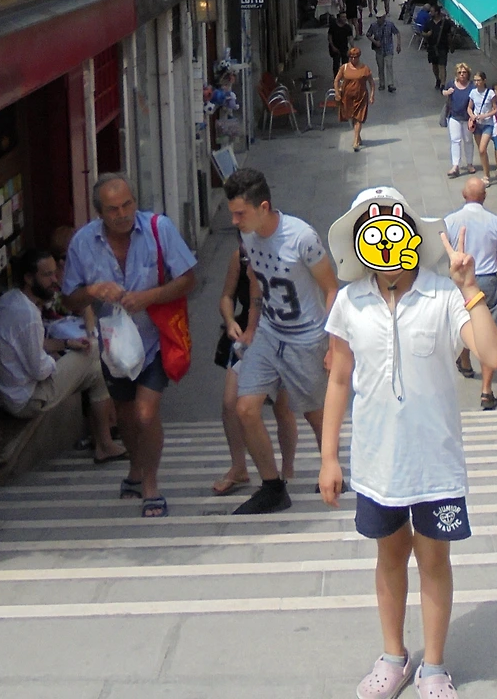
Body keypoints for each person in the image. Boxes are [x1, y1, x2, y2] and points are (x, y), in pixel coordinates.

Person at [321, 187, 497, 699]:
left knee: (434, 562)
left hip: (436, 464)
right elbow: (337, 378)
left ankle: (435, 667)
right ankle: (394, 656)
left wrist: (469, 287)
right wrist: (329, 456)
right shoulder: (349, 301)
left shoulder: (443, 296)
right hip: (378, 464)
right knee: (388, 558)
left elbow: (492, 355)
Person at [62, 174, 197, 519]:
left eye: (128, 204)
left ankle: (150, 485)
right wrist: (93, 291)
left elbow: (188, 279)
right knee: (124, 415)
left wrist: (149, 297)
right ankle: (135, 470)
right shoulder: (82, 243)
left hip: (154, 339)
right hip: (114, 346)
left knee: (145, 413)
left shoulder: (158, 229)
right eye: (113, 209)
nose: (123, 214)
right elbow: (69, 298)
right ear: (99, 213)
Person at [224, 166, 340, 515]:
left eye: (240, 213)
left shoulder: (301, 237)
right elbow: (256, 280)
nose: (234, 221)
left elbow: (331, 288)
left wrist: (334, 344)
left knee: (314, 414)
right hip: (270, 333)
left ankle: (331, 468)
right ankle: (272, 486)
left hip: (306, 336)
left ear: (263, 207)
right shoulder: (247, 237)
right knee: (244, 407)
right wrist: (251, 326)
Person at [0, 246, 126, 463]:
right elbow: (39, 369)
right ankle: (104, 442)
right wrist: (56, 360)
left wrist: (66, 344)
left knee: (95, 366)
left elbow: (32, 345)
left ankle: (104, 441)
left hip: (11, 392)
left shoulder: (10, 300)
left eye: (55, 273)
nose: (54, 280)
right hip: (27, 399)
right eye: (47, 275)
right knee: (95, 355)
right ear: (28, 278)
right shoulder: (29, 316)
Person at [212, 241, 298, 496]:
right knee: (230, 403)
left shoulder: (285, 250)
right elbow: (227, 296)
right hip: (246, 339)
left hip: (280, 333)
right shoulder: (239, 255)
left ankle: (288, 469)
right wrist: (229, 321)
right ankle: (239, 467)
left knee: (282, 407)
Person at [444, 176, 497, 409]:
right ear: (484, 197)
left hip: (460, 282)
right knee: (488, 330)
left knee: (463, 323)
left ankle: (464, 359)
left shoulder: (450, 221)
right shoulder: (496, 223)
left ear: (464, 196)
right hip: (487, 279)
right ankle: (486, 389)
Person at [336, 41, 376, 151]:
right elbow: (336, 80)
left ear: (359, 57)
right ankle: (358, 136)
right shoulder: (344, 68)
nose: (353, 60)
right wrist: (337, 92)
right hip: (347, 98)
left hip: (361, 96)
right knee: (352, 117)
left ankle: (355, 142)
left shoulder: (364, 68)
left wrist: (372, 95)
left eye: (355, 57)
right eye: (351, 58)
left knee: (359, 118)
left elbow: (371, 82)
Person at [442, 62, 476, 177]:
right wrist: (447, 93)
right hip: (454, 117)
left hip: (467, 118)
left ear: (468, 74)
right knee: (455, 140)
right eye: (460, 72)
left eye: (464, 72)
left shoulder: (472, 86)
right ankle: (455, 165)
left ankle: (469, 163)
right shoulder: (451, 84)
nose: (462, 74)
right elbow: (444, 91)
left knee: (468, 141)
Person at [467, 71, 497, 185]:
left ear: (484, 81)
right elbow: (469, 108)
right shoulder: (473, 93)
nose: (476, 82)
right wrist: (472, 116)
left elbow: (496, 109)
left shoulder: (490, 93)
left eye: (478, 80)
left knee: (482, 149)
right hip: (477, 125)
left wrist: (485, 115)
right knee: (482, 152)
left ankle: (486, 176)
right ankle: (487, 174)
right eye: (475, 80)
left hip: (487, 124)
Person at [369, 11, 400, 93]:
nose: (378, 20)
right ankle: (382, 83)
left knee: (389, 65)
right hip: (379, 50)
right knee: (380, 67)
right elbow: (368, 34)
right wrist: (375, 42)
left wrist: (398, 44)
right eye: (377, 18)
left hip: (388, 48)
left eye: (380, 18)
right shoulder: (373, 26)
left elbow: (397, 32)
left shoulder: (390, 24)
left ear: (384, 17)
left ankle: (390, 84)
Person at [426, 8, 453, 89]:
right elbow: (423, 32)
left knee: (442, 65)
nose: (430, 13)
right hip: (432, 47)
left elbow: (449, 35)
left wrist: (451, 45)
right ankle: (438, 79)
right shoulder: (429, 23)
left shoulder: (445, 23)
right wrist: (427, 34)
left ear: (437, 13)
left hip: (442, 47)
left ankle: (443, 83)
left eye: (432, 11)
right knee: (434, 66)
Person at [328, 9, 352, 79]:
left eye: (345, 17)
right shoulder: (333, 26)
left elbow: (350, 38)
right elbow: (330, 36)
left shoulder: (347, 27)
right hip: (335, 48)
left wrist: (352, 48)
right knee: (336, 63)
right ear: (339, 18)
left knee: (345, 63)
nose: (344, 19)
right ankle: (336, 77)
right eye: (343, 17)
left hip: (344, 48)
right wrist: (332, 46)